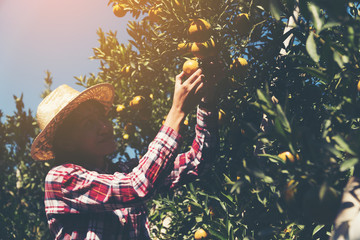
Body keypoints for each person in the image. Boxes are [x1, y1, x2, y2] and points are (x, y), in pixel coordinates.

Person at [30, 68, 220, 239]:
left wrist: (206, 101)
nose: (104, 127)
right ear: (67, 143)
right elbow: (137, 186)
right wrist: (177, 111)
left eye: (102, 118)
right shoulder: (61, 179)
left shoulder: (124, 171)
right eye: (88, 123)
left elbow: (198, 160)